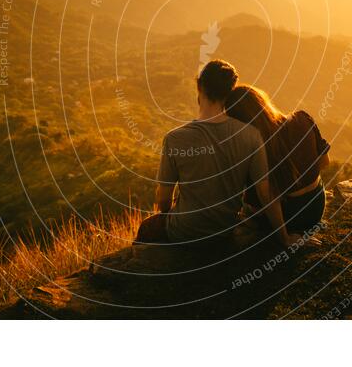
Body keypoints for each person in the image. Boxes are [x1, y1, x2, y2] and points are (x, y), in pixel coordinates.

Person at [135, 60, 300, 247]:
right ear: (230, 92)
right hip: (226, 231)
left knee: (146, 229)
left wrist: (167, 214)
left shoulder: (174, 138)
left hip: (184, 231)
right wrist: (285, 238)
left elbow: (163, 198)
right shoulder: (251, 136)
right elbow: (266, 194)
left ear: (200, 88)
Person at [224, 84, 330, 233]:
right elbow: (325, 162)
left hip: (287, 218)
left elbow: (268, 197)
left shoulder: (256, 146)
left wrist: (285, 239)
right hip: (316, 207)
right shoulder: (302, 118)